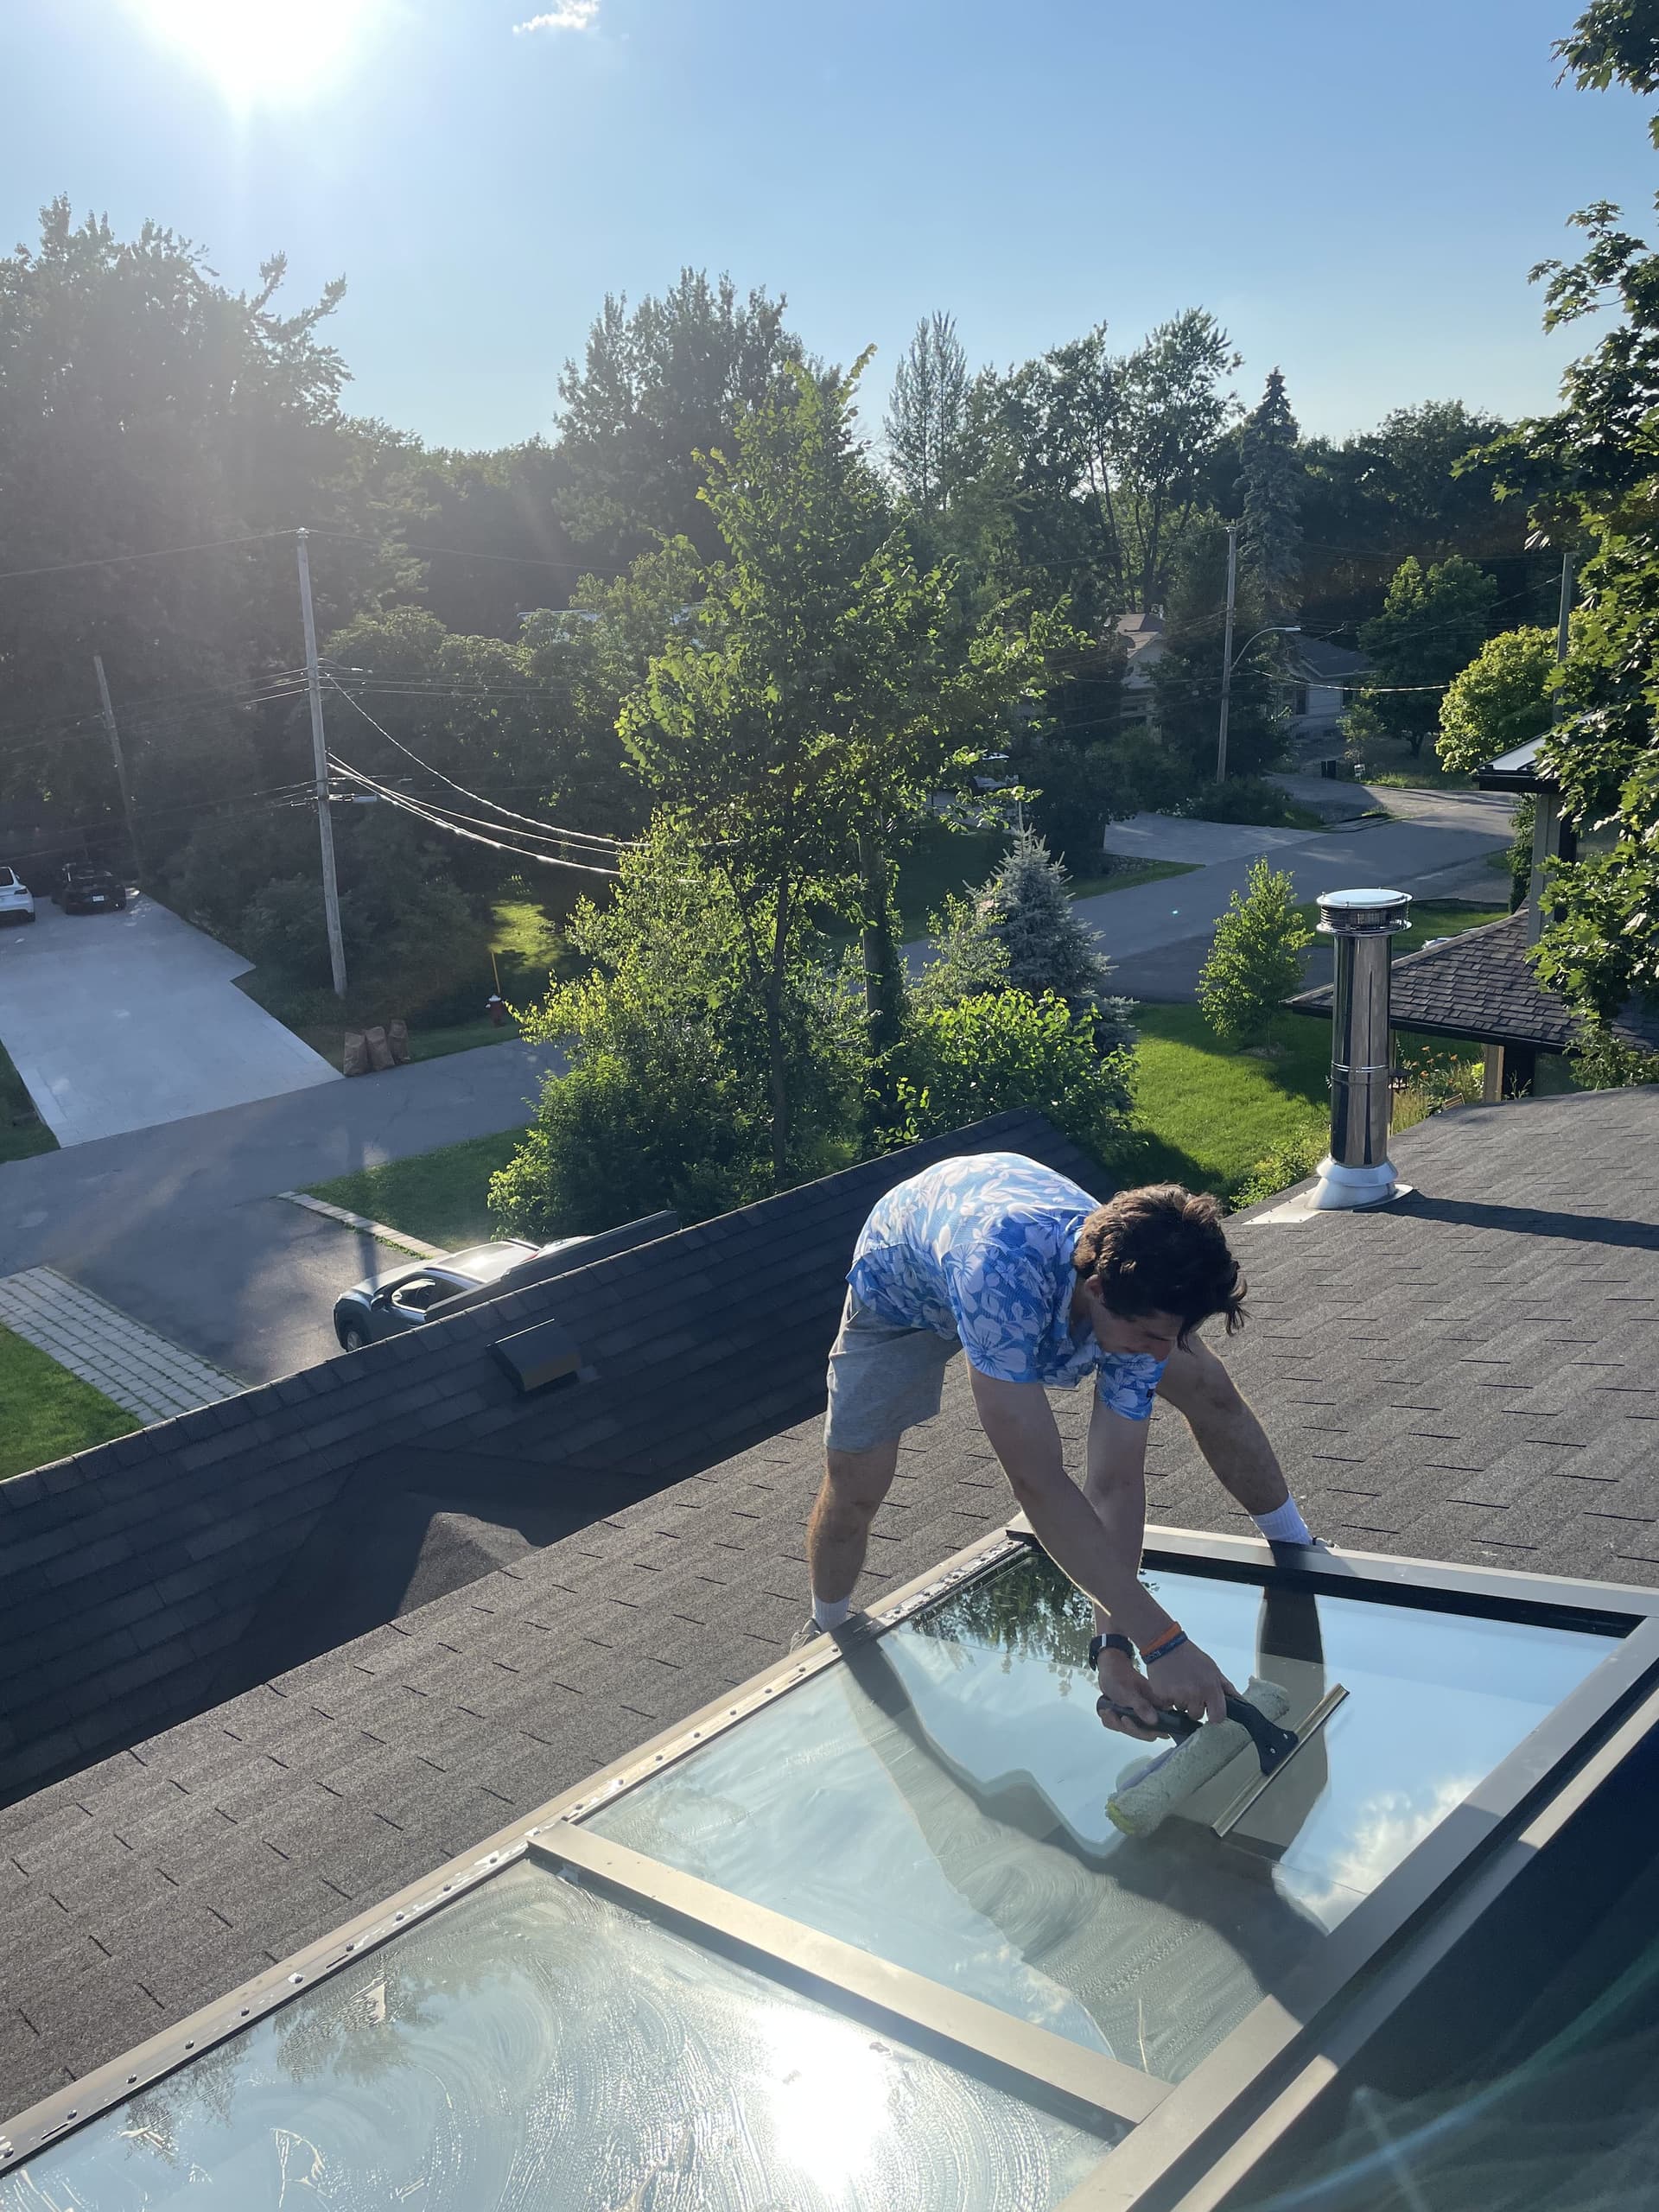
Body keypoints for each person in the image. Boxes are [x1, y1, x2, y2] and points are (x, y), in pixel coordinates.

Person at [801, 1152, 1315, 1740]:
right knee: (856, 1487)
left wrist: (1114, 1647)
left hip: (1020, 1247)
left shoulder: (1142, 1298)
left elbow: (1114, 1483)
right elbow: (1040, 1486)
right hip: (904, 1291)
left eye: (1170, 1336)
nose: (1157, 1353)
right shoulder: (997, 1277)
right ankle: (825, 1628)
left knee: (1205, 1383)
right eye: (1149, 1336)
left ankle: (1298, 1546)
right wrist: (1165, 1640)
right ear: (1096, 1289)